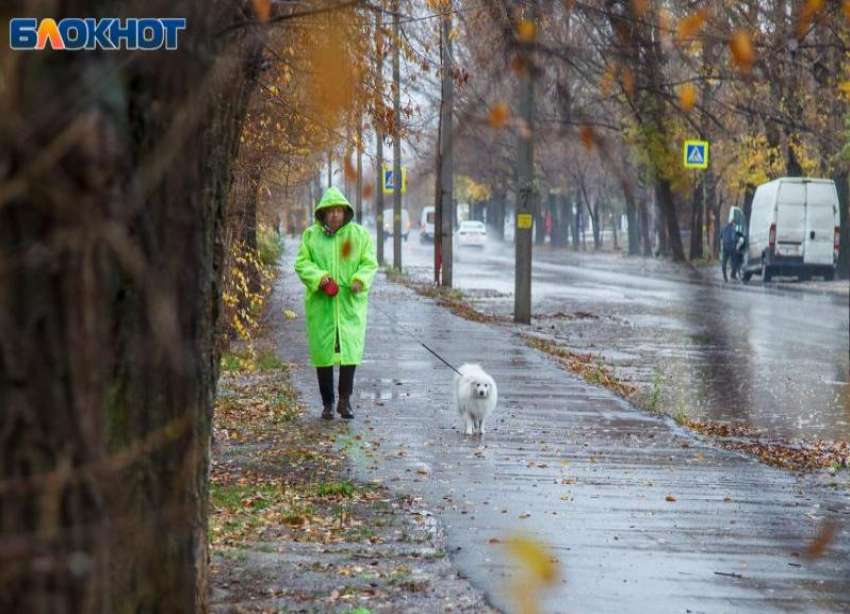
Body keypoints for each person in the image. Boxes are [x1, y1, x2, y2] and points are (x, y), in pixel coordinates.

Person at [294, 187, 378, 420]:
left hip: (350, 303)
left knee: (350, 351)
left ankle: (345, 401)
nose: (334, 215)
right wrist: (319, 278)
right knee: (323, 354)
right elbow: (302, 264)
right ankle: (328, 403)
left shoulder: (359, 235)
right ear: (322, 213)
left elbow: (369, 263)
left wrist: (360, 280)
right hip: (322, 304)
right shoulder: (311, 236)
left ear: (345, 212)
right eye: (330, 211)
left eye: (339, 210)